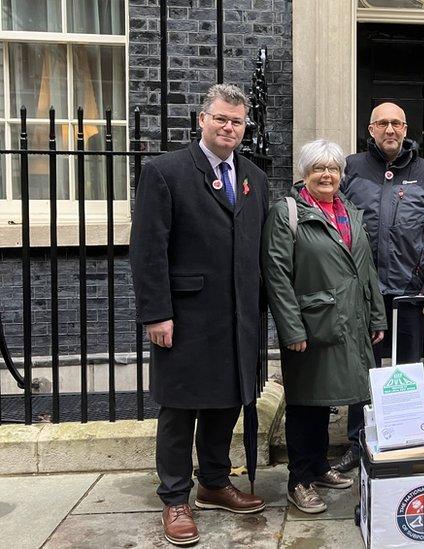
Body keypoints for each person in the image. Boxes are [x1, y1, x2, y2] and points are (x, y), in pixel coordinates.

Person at [129, 83, 268, 546]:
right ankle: (174, 498)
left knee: (227, 402)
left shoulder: (254, 176)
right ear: (201, 120)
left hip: (237, 316)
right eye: (221, 119)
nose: (229, 127)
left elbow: (258, 249)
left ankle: (213, 481)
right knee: (180, 408)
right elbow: (149, 249)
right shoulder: (164, 171)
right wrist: (156, 314)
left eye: (237, 121)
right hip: (185, 316)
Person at [261, 139, 386, 514]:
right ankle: (298, 480)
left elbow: (365, 269)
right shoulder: (288, 214)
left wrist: (377, 314)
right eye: (318, 168)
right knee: (305, 400)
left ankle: (317, 467)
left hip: (351, 319)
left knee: (326, 399)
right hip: (312, 323)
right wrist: (291, 328)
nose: (327, 175)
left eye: (333, 168)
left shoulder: (349, 211)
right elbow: (277, 275)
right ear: (305, 174)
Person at [336, 102, 424, 472]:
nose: (390, 129)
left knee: (406, 369)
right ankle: (358, 439)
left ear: (405, 129)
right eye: (382, 123)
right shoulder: (351, 167)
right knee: (362, 369)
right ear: (370, 129)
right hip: (362, 293)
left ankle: (404, 436)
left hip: (407, 293)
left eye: (396, 123)